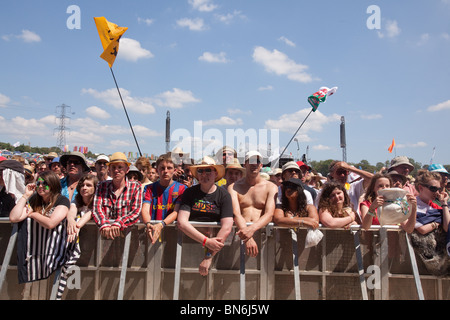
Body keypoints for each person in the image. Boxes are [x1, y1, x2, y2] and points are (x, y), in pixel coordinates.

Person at [9, 171, 78, 287]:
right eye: (38, 183)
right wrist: (26, 196)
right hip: (36, 252)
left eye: (45, 183)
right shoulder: (34, 199)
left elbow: (51, 223)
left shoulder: (62, 200)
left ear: (53, 184)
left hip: (54, 251)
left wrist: (33, 215)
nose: (40, 186)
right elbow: (14, 217)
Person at [177, 157, 233, 276]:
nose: (204, 174)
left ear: (215, 173)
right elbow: (182, 222)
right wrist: (206, 241)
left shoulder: (224, 195)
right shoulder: (189, 192)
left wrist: (209, 256)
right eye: (200, 171)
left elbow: (227, 227)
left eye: (208, 170)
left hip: (215, 251)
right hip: (190, 244)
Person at [228, 151, 278, 257]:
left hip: (262, 236)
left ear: (261, 165)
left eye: (257, 161)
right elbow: (236, 214)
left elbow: (269, 214)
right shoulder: (233, 187)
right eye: (250, 161)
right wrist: (248, 238)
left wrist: (251, 230)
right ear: (244, 164)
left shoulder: (271, 187)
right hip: (240, 236)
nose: (254, 164)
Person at [92, 152, 143, 240]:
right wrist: (104, 224)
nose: (116, 170)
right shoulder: (101, 186)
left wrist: (119, 222)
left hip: (128, 237)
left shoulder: (136, 186)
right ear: (109, 169)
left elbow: (136, 212)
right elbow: (96, 209)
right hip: (106, 238)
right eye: (113, 167)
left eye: (120, 167)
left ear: (127, 170)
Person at [409, 169, 450, 276]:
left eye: (439, 189)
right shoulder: (411, 205)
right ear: (421, 188)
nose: (437, 192)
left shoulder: (436, 207)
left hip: (435, 256)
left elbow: (447, 227)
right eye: (433, 188)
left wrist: (444, 204)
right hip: (415, 257)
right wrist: (437, 223)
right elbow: (422, 230)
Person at [141, 153, 186, 244]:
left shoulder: (182, 188)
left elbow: (176, 212)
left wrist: (161, 224)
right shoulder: (149, 188)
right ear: (157, 170)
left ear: (174, 170)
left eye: (169, 168)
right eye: (162, 168)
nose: (165, 171)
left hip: (173, 233)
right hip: (152, 231)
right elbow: (145, 209)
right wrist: (148, 224)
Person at [67, 173, 98, 243]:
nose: (84, 188)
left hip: (94, 239)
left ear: (95, 188)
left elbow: (90, 213)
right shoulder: (76, 200)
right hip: (80, 239)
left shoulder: (98, 202)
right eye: (82, 185)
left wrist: (76, 227)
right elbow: (72, 210)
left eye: (88, 185)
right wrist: (71, 220)